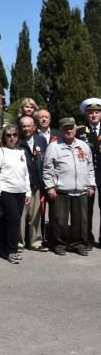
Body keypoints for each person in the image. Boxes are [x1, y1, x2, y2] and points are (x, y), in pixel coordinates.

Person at [43, 117, 96, 256]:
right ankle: (59, 244)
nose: (69, 130)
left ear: (75, 128)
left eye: (71, 128)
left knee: (80, 221)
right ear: (61, 130)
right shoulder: (54, 147)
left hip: (81, 190)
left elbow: (90, 167)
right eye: (65, 128)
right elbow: (47, 169)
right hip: (61, 190)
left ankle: (78, 244)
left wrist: (91, 185)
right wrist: (50, 187)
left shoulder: (83, 146)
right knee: (59, 220)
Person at [0, 125, 30, 264]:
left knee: (9, 221)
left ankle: (3, 247)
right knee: (14, 220)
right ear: (4, 137)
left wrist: (28, 190)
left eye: (14, 135)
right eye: (8, 135)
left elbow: (25, 173)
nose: (12, 138)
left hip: (20, 191)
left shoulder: (21, 152)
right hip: (6, 191)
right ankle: (12, 251)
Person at [18, 114, 48, 252]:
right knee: (21, 216)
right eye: (23, 126)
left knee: (36, 215)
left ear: (34, 127)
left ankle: (35, 242)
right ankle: (19, 243)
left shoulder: (41, 140)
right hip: (21, 185)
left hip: (37, 184)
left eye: (28, 126)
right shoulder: (16, 140)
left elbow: (45, 160)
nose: (26, 129)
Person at [75, 98, 101, 246]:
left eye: (97, 112)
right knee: (86, 209)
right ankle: (87, 238)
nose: (94, 115)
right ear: (86, 115)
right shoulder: (80, 131)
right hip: (87, 176)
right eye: (90, 113)